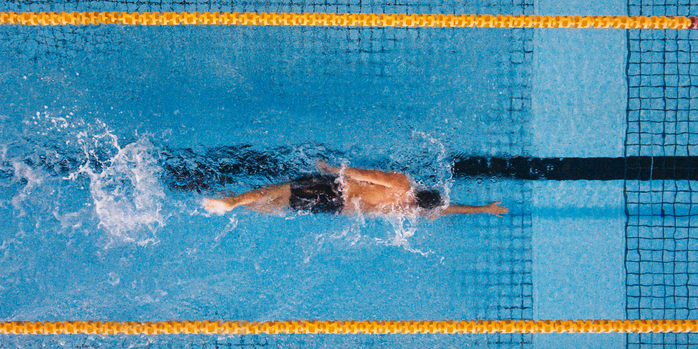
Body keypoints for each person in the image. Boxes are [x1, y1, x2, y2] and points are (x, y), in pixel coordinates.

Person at [202, 161, 508, 218]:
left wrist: (335, 170)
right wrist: (484, 209)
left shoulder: (403, 184)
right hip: (335, 208)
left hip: (335, 190)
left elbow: (368, 175)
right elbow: (445, 209)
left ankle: (232, 201)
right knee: (277, 205)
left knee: (278, 189)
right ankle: (238, 206)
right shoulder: (407, 209)